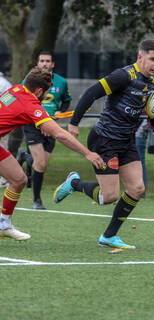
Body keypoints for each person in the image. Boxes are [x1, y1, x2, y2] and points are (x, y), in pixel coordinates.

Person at [53, 39, 154, 250]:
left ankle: (109, 236)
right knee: (108, 197)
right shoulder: (123, 76)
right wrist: (74, 123)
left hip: (126, 141)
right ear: (140, 57)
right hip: (104, 139)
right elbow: (90, 93)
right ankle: (74, 183)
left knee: (137, 189)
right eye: (152, 59)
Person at [0, 67, 103, 241]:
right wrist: (88, 153)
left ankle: (3, 224)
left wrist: (43, 120)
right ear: (39, 91)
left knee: (19, 180)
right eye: (46, 93)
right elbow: (60, 134)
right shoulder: (30, 105)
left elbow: (18, 111)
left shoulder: (16, 89)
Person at [18, 51, 72, 209]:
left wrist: (60, 112)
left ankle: (25, 156)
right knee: (40, 163)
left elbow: (66, 101)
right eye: (42, 61)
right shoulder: (29, 80)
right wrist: (40, 121)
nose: (45, 64)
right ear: (37, 63)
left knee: (43, 164)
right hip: (32, 123)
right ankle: (37, 201)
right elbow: (22, 99)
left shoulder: (61, 82)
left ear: (53, 64)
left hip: (51, 124)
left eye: (48, 61)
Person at [0, 71, 12, 188]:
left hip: (2, 123)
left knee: (3, 149)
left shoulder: (3, 83)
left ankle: (5, 179)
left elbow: (7, 102)